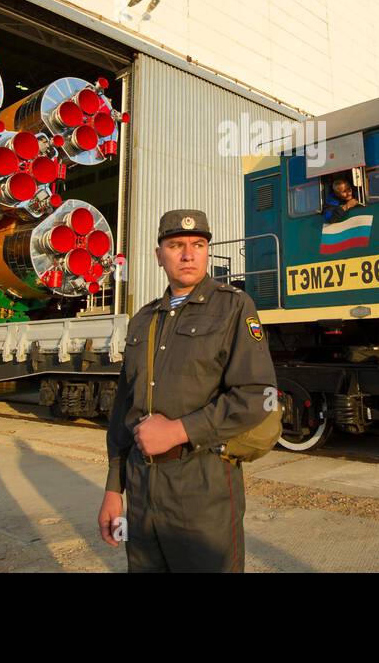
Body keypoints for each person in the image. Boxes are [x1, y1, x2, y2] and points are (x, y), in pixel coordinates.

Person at [98, 209, 277, 572]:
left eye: (198, 244)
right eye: (176, 245)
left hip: (202, 484)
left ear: (207, 251)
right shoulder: (142, 321)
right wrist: (113, 490)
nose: (187, 254)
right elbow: (123, 412)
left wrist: (178, 431)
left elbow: (258, 394)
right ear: (159, 255)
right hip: (142, 486)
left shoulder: (234, 307)